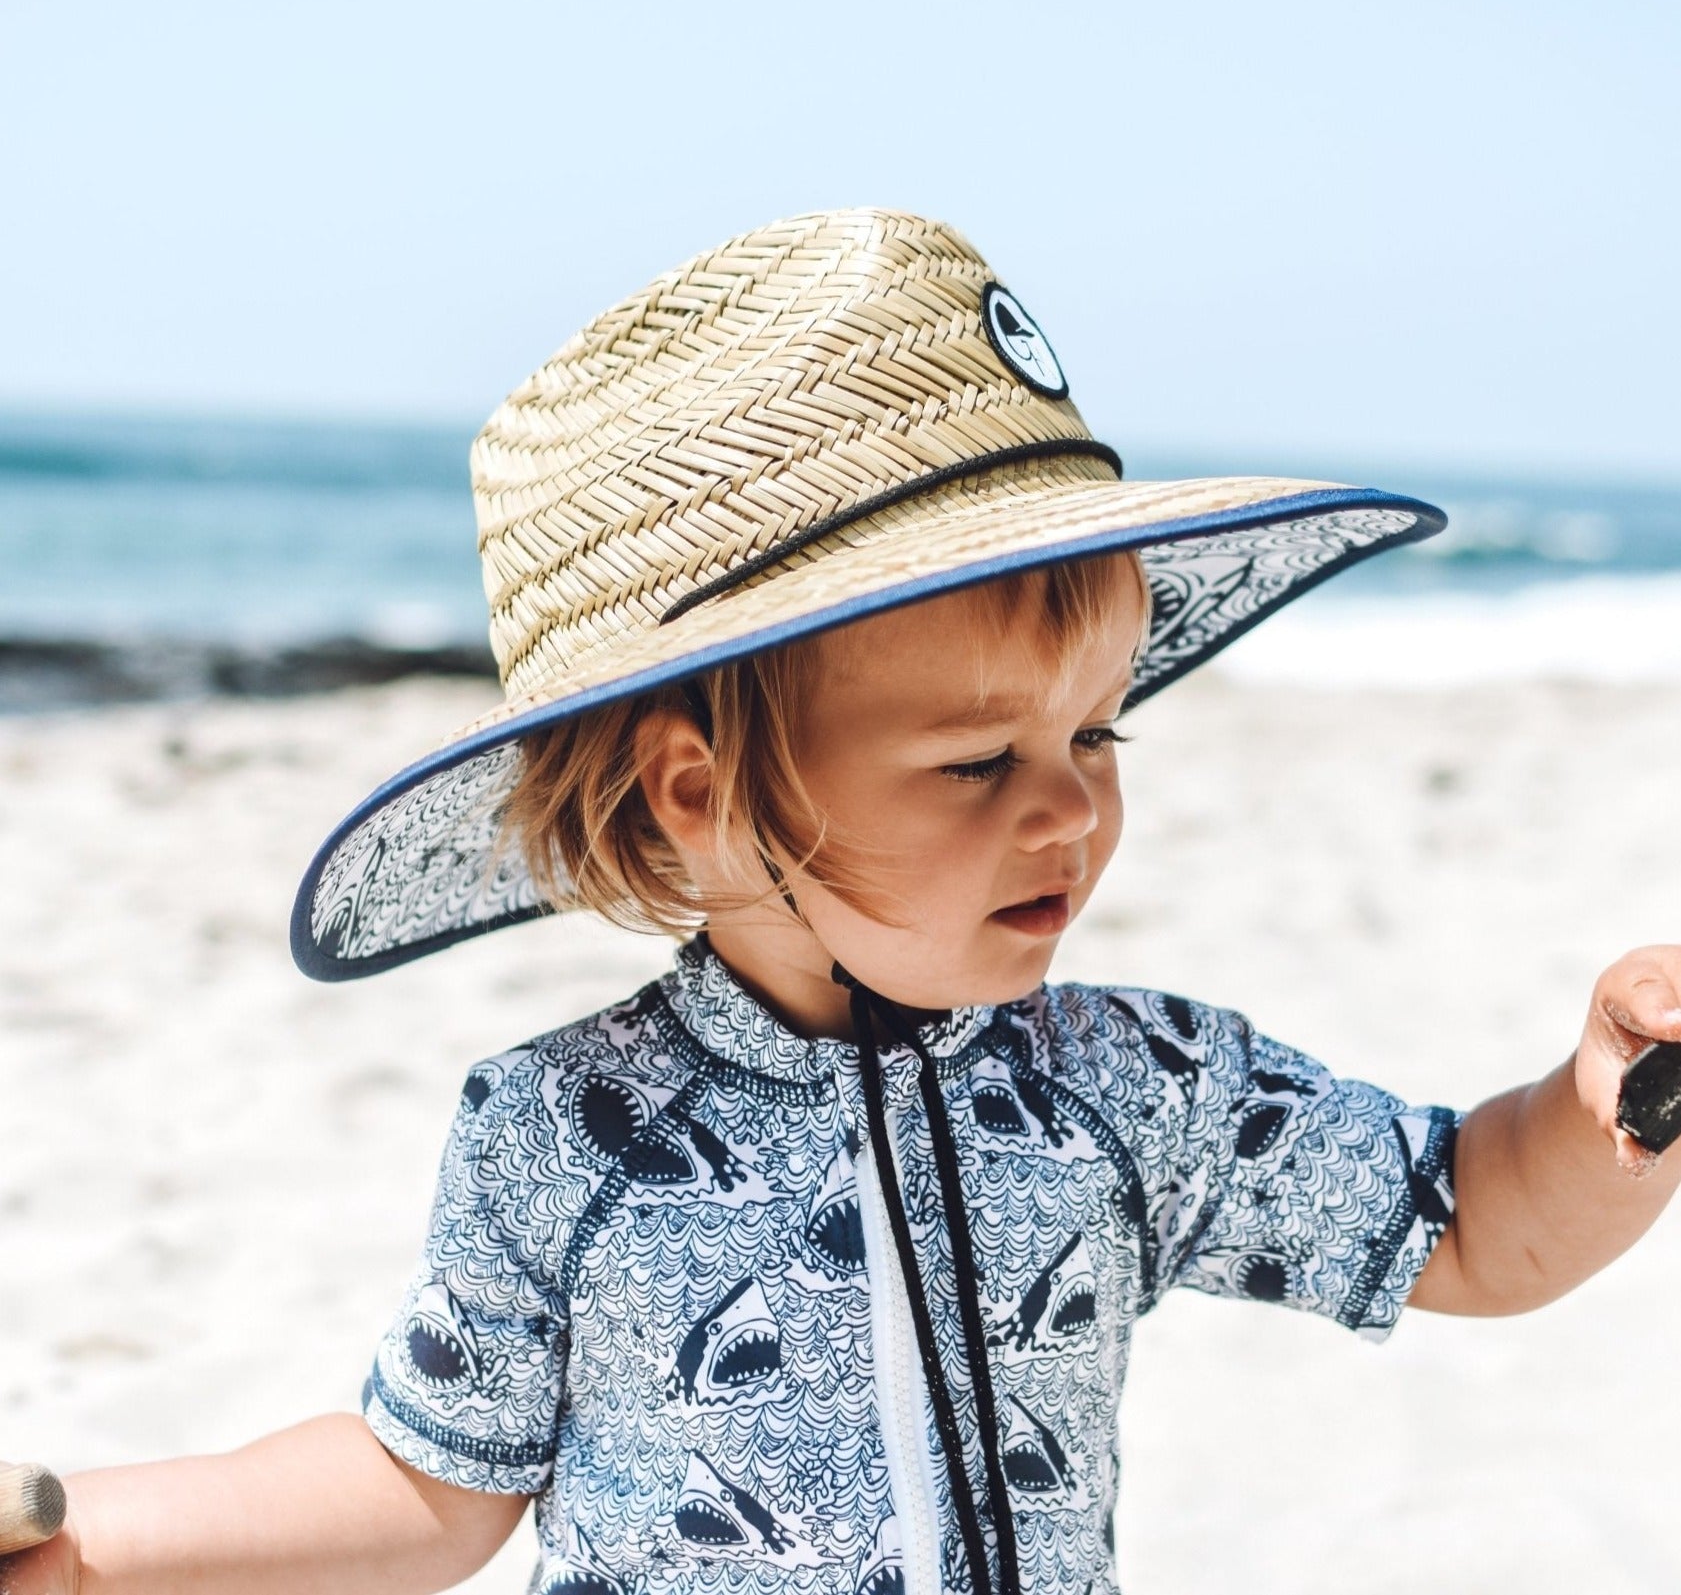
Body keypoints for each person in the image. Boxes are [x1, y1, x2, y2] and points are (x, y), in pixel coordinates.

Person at [5, 209, 1677, 1595]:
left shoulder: (1128, 1082)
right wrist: (87, 1550)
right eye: (976, 760)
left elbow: (1466, 1222)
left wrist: (1612, 1098)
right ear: (698, 795)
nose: (1070, 805)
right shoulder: (561, 1132)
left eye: (1096, 732)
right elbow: (423, 1483)